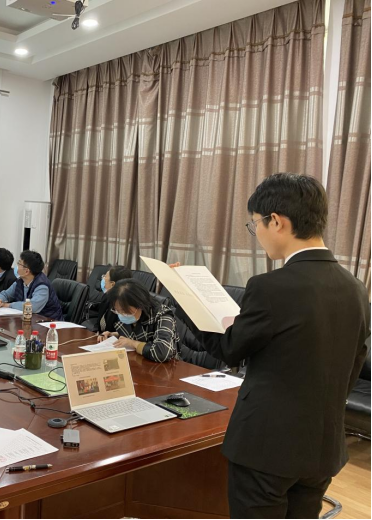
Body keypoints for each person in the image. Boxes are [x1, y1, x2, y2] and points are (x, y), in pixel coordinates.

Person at [192, 174, 370, 519]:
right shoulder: (356, 288)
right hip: (323, 447)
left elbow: (230, 350)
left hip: (266, 447)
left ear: (276, 221)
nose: (257, 233)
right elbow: (354, 362)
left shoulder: (269, 287)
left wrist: (190, 306)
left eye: (255, 224)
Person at [99, 278, 179, 363]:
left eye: (124, 311)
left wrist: (133, 343)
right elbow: (133, 334)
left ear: (140, 305)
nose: (121, 314)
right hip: (139, 362)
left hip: (166, 367)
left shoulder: (163, 315)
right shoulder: (128, 315)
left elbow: (162, 353)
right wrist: (113, 335)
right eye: (118, 310)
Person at [0, 250, 64, 321]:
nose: (16, 266)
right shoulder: (20, 281)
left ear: (26, 271)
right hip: (29, 320)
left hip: (49, 322)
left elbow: (32, 307)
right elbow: (5, 294)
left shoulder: (42, 286)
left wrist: (9, 305)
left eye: (19, 263)